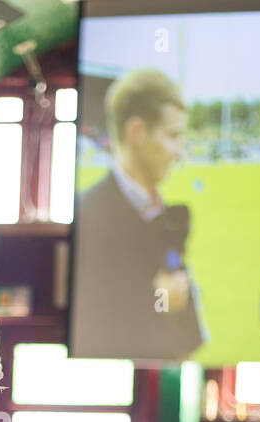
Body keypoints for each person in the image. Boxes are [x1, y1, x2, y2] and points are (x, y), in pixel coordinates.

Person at [73, 68, 207, 361]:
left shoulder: (169, 217)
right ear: (136, 132)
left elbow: (190, 335)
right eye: (172, 135)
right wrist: (155, 301)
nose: (179, 153)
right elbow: (94, 328)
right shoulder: (89, 215)